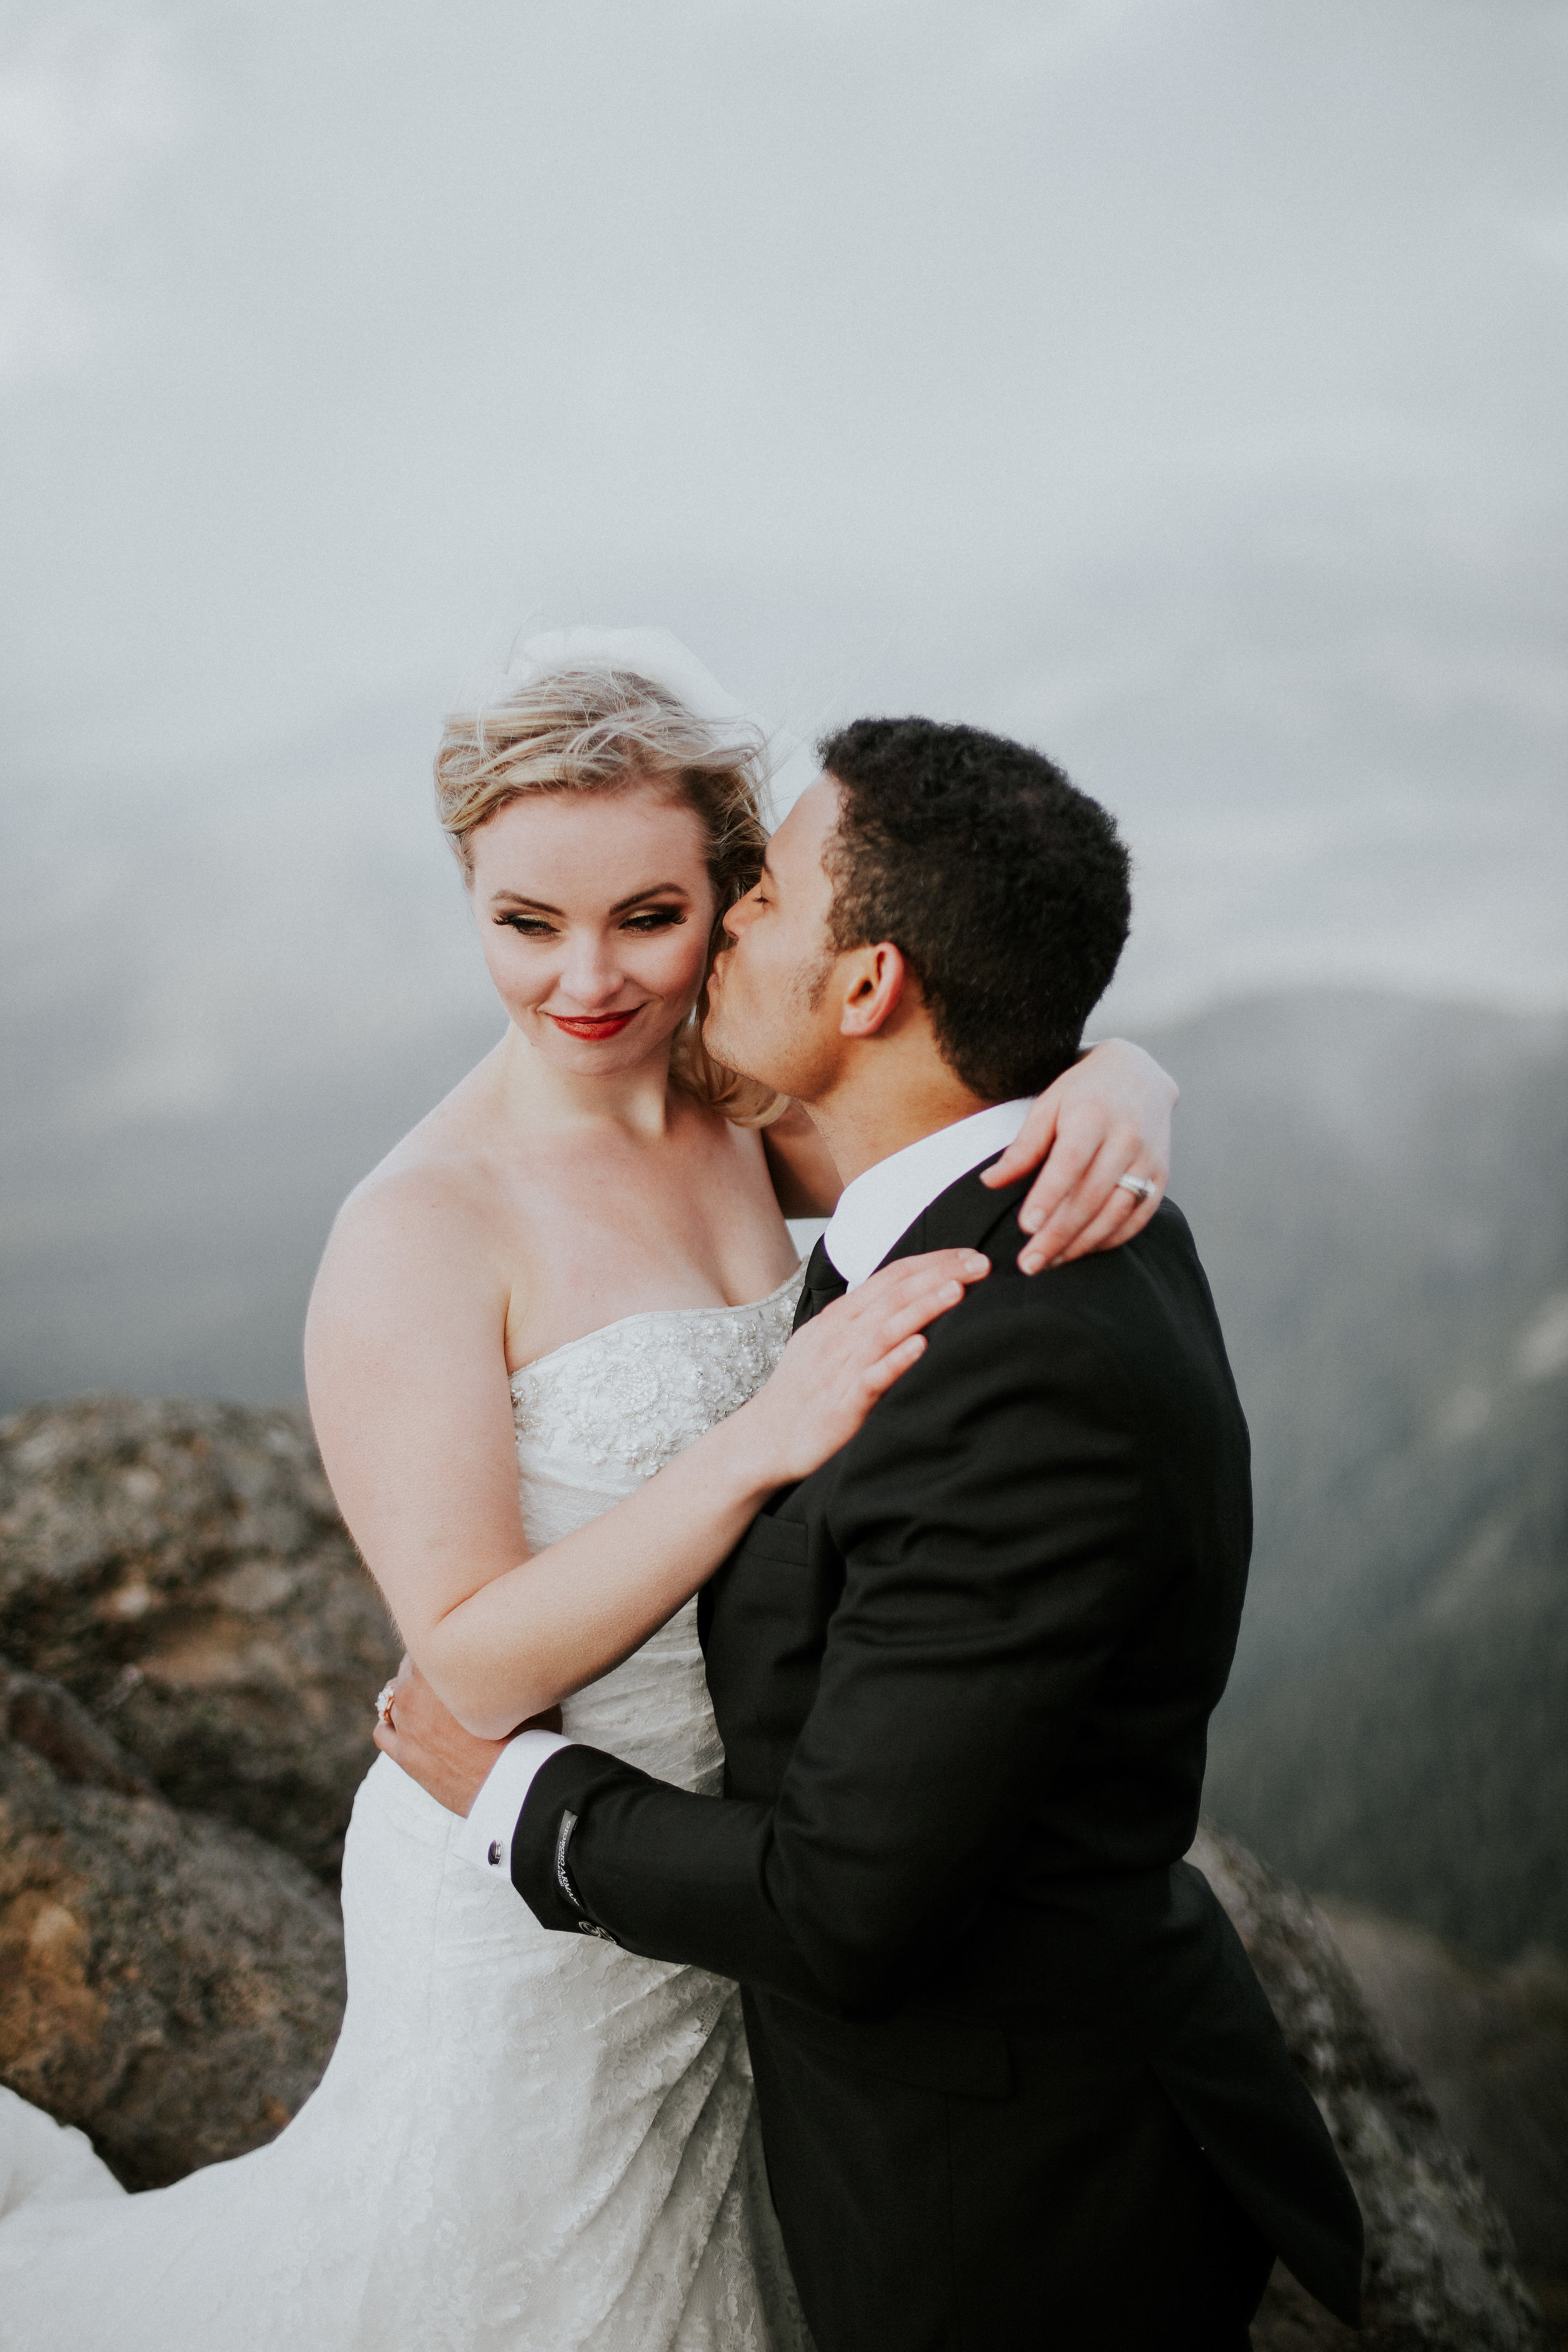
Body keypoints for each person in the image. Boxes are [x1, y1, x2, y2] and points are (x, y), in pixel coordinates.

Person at [0, 641, 1177, 2350]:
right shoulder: (421, 1229)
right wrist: (761, 1438)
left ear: (732, 893)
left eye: (646, 916)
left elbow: (935, 1090)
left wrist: (1124, 1076)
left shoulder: (737, 1115)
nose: (584, 979)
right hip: (525, 1894)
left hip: (736, 1875)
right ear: (467, 895)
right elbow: (462, 1673)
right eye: (524, 924)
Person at [381, 711, 1367, 2351]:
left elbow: (845, 1905)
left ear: (867, 989)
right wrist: (1116, 1065)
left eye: (758, 888)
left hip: (1009, 2202)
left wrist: (512, 1796)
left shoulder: (1023, 1368)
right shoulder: (1003, 1180)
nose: (720, 914)